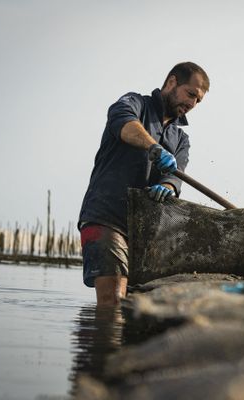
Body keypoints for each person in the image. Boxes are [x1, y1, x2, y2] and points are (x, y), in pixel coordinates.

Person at [78, 62, 209, 305]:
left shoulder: (181, 139)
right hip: (106, 217)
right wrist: (153, 148)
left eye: (198, 101)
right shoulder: (135, 104)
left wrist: (168, 187)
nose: (192, 104)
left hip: (145, 233)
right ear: (171, 82)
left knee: (137, 305)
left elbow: (175, 176)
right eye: (190, 94)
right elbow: (122, 121)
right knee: (112, 302)